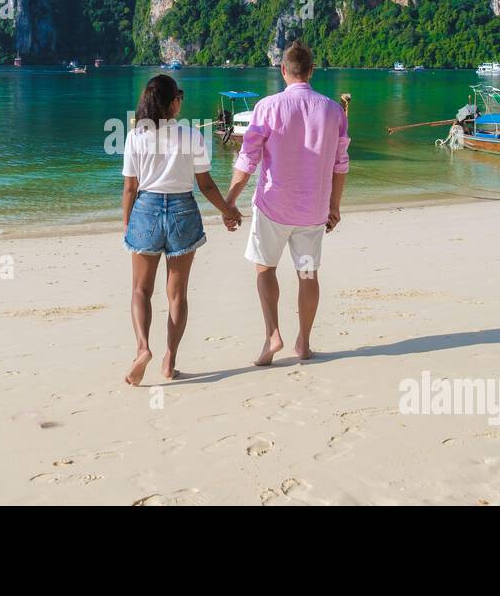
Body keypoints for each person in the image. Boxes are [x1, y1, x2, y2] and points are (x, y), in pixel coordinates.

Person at [225, 40, 350, 366]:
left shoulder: (266, 107)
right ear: (311, 71)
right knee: (308, 274)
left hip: (272, 208)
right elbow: (341, 164)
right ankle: (304, 343)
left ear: (283, 70)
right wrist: (334, 207)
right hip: (313, 211)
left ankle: (273, 335)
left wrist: (229, 201)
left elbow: (247, 159)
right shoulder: (334, 110)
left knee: (265, 269)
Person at [121, 75, 242, 386]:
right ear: (173, 102)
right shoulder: (191, 136)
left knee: (140, 290)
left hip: (146, 210)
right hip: (182, 211)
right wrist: (229, 211)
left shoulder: (135, 136)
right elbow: (206, 185)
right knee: (177, 295)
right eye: (180, 97)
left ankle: (143, 348)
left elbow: (130, 188)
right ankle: (170, 359)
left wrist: (128, 225)